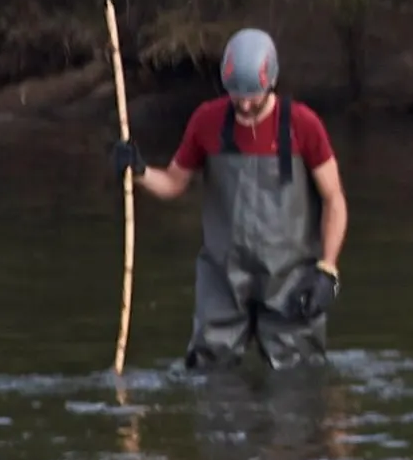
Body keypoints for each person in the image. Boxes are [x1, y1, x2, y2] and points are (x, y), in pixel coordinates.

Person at [131, 27, 347, 376]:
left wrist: (328, 270)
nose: (245, 104)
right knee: (209, 370)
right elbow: (173, 183)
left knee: (297, 375)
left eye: (253, 95)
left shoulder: (304, 125)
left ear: (271, 82)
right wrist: (137, 170)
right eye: (236, 95)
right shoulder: (207, 121)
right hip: (223, 274)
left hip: (290, 276)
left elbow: (334, 200)